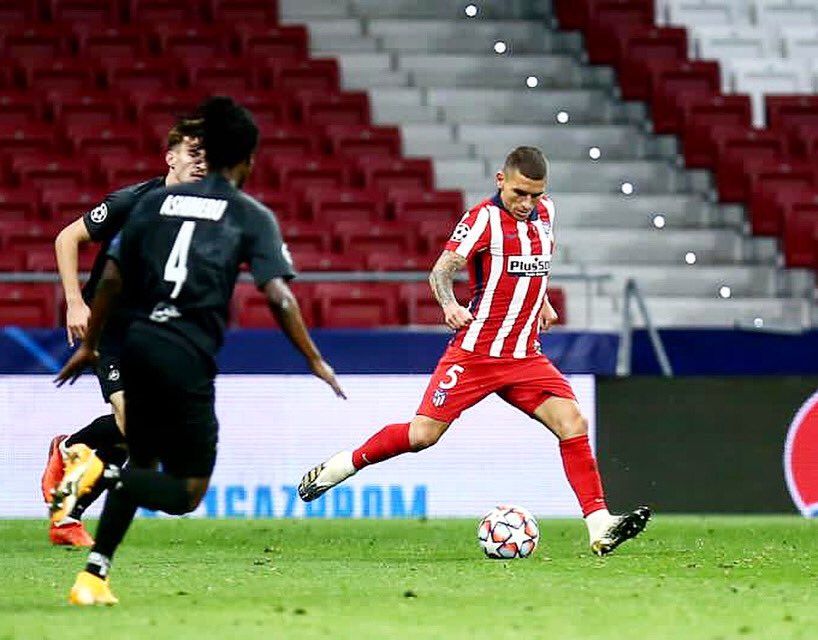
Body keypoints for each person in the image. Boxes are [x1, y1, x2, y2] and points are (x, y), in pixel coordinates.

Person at [52, 96, 345, 605]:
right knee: (187, 491)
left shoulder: (151, 203)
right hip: (185, 354)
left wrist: (91, 342)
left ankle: (92, 576)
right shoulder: (249, 215)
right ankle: (98, 470)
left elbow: (114, 275)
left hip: (137, 341)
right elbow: (278, 294)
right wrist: (313, 358)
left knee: (140, 460)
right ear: (248, 160)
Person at [299, 146, 650, 556]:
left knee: (572, 422)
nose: (527, 203)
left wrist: (542, 302)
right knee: (422, 435)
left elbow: (533, 267)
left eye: (535, 195)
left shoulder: (548, 214)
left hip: (524, 356)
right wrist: (449, 304)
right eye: (520, 192)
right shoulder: (482, 219)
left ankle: (599, 525)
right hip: (476, 354)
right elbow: (441, 270)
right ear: (501, 180)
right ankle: (341, 466)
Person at [41, 118, 208, 547]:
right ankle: (71, 453)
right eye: (193, 153)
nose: (202, 163)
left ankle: (68, 506)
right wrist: (75, 301)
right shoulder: (132, 201)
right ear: (170, 158)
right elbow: (66, 238)